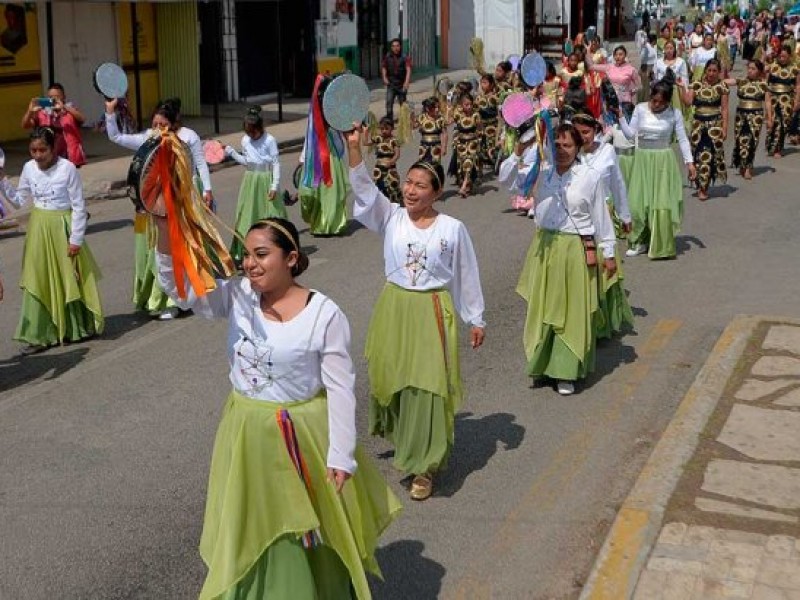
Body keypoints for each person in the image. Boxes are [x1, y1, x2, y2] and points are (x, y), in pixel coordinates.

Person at [153, 216, 402, 599]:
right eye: (246, 255)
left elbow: (340, 388)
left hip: (303, 437)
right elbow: (181, 287)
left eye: (261, 254)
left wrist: (341, 456)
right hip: (247, 435)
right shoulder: (237, 296)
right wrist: (161, 223)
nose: (250, 263)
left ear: (291, 258)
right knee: (252, 526)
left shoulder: (324, 313)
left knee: (304, 529)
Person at [345, 125, 486, 501]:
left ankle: (424, 466)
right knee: (396, 380)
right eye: (408, 182)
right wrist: (354, 148)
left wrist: (476, 317)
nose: (410, 190)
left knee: (427, 386)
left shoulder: (453, 229)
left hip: (431, 311)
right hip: (394, 307)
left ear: (436, 192)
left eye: (420, 185)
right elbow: (362, 190)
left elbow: (466, 274)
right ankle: (407, 441)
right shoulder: (390, 216)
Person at [508, 124, 617, 395]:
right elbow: (509, 179)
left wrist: (610, 252)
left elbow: (600, 217)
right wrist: (518, 151)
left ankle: (565, 371)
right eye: (556, 145)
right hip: (545, 246)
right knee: (543, 307)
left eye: (568, 145)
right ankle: (542, 364)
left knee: (569, 311)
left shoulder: (589, 177)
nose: (562, 150)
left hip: (574, 249)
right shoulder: (542, 173)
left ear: (579, 148)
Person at [104, 97, 214, 319]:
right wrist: (109, 113)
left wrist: (206, 190)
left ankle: (179, 301)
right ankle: (158, 298)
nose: (157, 129)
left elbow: (200, 163)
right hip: (156, 204)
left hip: (182, 200)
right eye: (154, 125)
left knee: (178, 249)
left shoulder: (187, 137)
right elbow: (115, 136)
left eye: (162, 125)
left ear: (174, 124)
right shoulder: (149, 139)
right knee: (158, 251)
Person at [0, 127, 103, 348]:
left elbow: (78, 206)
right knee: (37, 278)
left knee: (69, 278)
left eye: (42, 150)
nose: (37, 155)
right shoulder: (29, 168)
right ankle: (39, 334)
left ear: (53, 147)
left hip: (63, 228)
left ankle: (74, 328)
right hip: (38, 228)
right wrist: (3, 181)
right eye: (33, 150)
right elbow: (20, 200)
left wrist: (75, 239)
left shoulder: (67, 169)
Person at [572, 112, 634, 339]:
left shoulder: (607, 152)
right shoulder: (570, 154)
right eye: (577, 133)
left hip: (603, 216)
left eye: (586, 132)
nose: (582, 137)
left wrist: (625, 215)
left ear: (595, 131)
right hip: (579, 220)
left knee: (604, 267)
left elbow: (617, 185)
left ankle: (605, 320)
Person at [619, 78, 696, 259]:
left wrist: (689, 163)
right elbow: (631, 135)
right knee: (638, 204)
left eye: (662, 103)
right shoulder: (640, 109)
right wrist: (621, 118)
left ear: (668, 102)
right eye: (654, 100)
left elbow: (683, 139)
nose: (657, 105)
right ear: (650, 97)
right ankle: (639, 241)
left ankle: (660, 244)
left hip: (663, 162)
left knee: (660, 205)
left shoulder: (674, 114)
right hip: (642, 160)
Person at [225, 106, 284, 266]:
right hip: (250, 180)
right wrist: (231, 152)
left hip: (265, 180)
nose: (250, 135)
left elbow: (276, 163)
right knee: (245, 215)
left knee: (269, 214)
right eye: (248, 132)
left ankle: (275, 250)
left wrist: (274, 185)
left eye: (253, 132)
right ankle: (244, 251)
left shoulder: (269, 140)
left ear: (260, 128)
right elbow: (247, 162)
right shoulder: (245, 140)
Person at [680, 59, 729, 201]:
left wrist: (724, 128)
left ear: (719, 72)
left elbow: (725, 109)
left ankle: (703, 188)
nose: (712, 74)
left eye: (715, 71)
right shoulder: (696, 85)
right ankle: (699, 183)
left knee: (708, 157)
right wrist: (682, 88)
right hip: (698, 126)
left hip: (714, 126)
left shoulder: (722, 87)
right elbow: (688, 102)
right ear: (705, 71)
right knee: (697, 156)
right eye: (709, 70)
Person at [21, 83, 86, 167]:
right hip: (49, 156)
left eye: (57, 97)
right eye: (51, 97)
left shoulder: (70, 111)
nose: (54, 99)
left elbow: (82, 119)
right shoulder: (42, 113)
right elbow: (25, 125)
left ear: (64, 97)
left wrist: (64, 107)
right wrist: (30, 111)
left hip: (69, 155)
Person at [726, 60, 769, 179]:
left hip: (756, 116)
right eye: (749, 68)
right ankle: (741, 163)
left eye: (753, 69)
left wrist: (769, 118)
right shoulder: (742, 80)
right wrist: (716, 79)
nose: (750, 70)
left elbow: (768, 102)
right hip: (741, 114)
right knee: (740, 140)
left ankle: (748, 167)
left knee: (752, 141)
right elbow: (729, 82)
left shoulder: (763, 84)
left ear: (759, 71)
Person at [586, 45, 642, 120]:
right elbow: (591, 66)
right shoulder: (609, 67)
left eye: (620, 54)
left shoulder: (631, 70)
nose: (618, 57)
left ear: (625, 55)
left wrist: (629, 92)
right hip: (610, 103)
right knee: (611, 127)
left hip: (624, 103)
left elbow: (639, 86)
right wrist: (587, 51)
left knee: (624, 125)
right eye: (616, 54)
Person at [765, 45, 800, 158]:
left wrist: (797, 101)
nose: (782, 58)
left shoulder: (795, 69)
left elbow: (798, 85)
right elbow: (767, 84)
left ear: (789, 56)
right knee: (773, 123)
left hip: (787, 101)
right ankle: (773, 145)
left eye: (784, 56)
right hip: (773, 99)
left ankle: (778, 148)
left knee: (783, 124)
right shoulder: (772, 67)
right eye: (780, 56)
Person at [449, 93, 483, 197]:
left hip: (472, 143)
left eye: (470, 104)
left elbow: (480, 128)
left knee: (469, 163)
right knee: (462, 166)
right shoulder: (457, 114)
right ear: (461, 105)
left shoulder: (476, 115)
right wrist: (448, 109)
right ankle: (467, 184)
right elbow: (448, 122)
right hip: (461, 144)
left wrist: (478, 140)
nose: (468, 107)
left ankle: (464, 186)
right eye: (466, 105)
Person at [364, 116, 402, 204]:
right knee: (380, 185)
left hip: (390, 168)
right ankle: (382, 204)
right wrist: (366, 132)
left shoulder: (394, 140)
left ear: (392, 128)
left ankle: (394, 203)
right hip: (379, 168)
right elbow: (365, 143)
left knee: (392, 185)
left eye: (386, 128)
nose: (384, 131)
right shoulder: (378, 138)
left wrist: (392, 161)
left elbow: (397, 154)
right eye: (382, 129)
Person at [381, 38, 412, 121]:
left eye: (397, 46)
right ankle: (389, 121)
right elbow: (384, 67)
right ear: (391, 47)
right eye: (393, 46)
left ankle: (404, 121)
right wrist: (384, 77)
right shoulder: (387, 56)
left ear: (400, 46)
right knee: (389, 102)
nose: (395, 48)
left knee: (403, 104)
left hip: (401, 84)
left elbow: (408, 69)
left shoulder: (404, 57)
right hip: (391, 84)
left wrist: (406, 82)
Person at [476, 73, 501, 173]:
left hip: (492, 127)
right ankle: (479, 171)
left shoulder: (495, 98)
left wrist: (499, 127)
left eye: (485, 83)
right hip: (482, 127)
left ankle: (497, 166)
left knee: (492, 148)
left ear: (491, 85)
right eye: (481, 82)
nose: (482, 85)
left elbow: (499, 114)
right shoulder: (478, 98)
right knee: (480, 149)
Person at [414, 97, 447, 165]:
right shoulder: (422, 117)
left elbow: (444, 134)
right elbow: (414, 126)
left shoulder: (440, 119)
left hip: (436, 147)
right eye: (434, 108)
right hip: (424, 147)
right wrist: (411, 118)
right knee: (423, 167)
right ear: (427, 109)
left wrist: (444, 147)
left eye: (438, 107)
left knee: (435, 167)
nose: (437, 109)